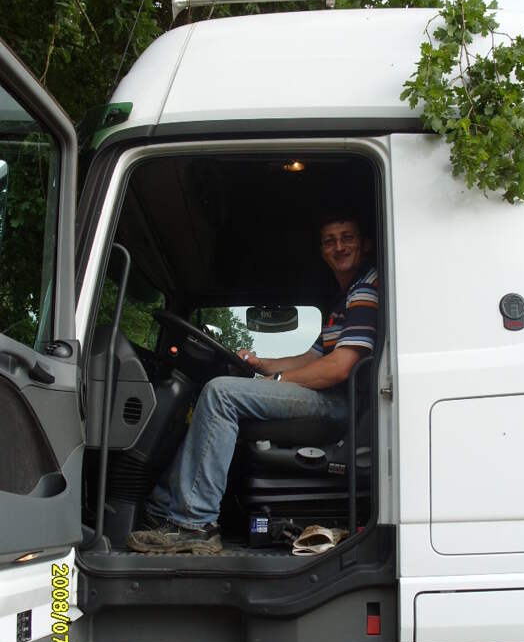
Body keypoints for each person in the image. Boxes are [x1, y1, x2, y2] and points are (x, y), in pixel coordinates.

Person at [127, 212, 378, 554]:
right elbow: (313, 357)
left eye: (347, 237)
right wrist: (263, 364)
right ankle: (163, 511)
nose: (339, 247)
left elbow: (339, 367)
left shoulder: (366, 289)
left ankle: (193, 523)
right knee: (221, 391)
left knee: (221, 393)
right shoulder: (344, 298)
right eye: (330, 241)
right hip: (330, 398)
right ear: (322, 250)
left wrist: (279, 379)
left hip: (339, 404)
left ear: (365, 244)